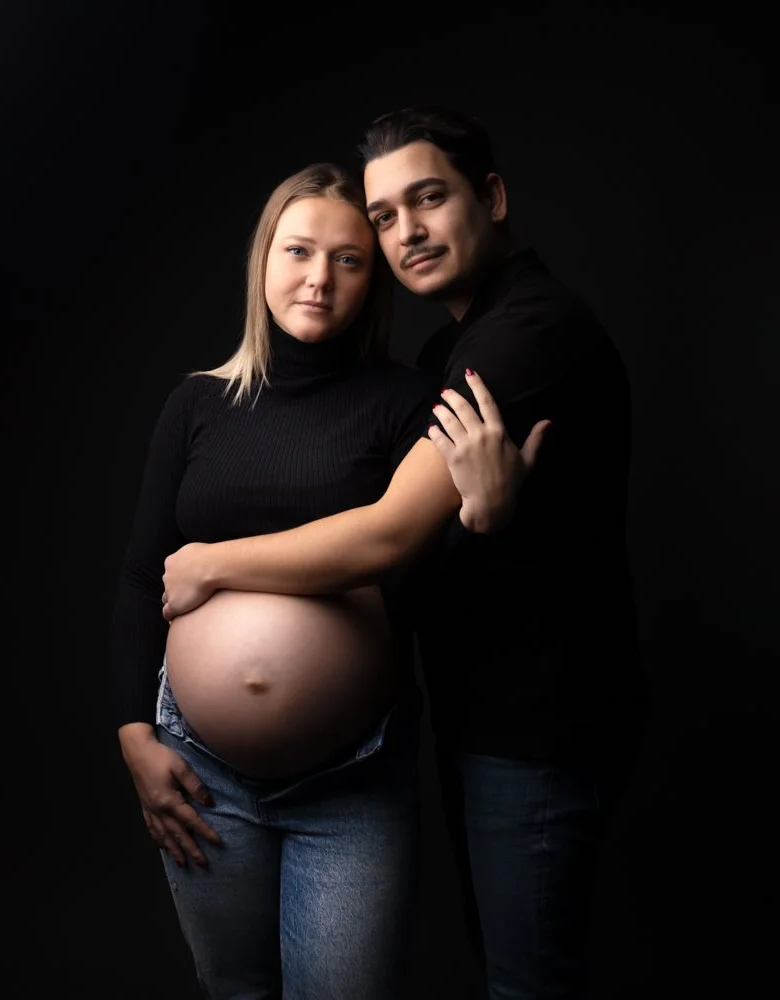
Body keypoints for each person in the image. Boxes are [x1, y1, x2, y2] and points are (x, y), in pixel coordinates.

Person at [160, 106, 650, 999]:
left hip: (537, 724)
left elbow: (388, 536)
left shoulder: (521, 334)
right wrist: (480, 523)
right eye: (384, 216)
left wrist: (211, 564)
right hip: (489, 716)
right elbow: (436, 570)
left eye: (428, 199)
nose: (405, 232)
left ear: (491, 197)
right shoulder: (458, 342)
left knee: (528, 984)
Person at [110, 160, 544, 1000]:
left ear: (373, 279)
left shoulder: (410, 403)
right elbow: (139, 576)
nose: (318, 278)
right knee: (235, 988)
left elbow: (432, 593)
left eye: (348, 259)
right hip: (204, 771)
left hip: (353, 779)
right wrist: (133, 734)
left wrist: (484, 519)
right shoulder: (197, 403)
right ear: (262, 259)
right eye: (298, 250)